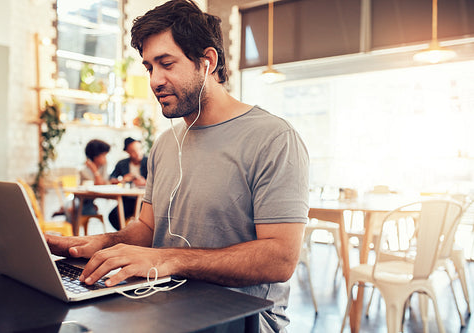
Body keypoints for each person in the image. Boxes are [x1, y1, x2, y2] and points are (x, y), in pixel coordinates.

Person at [46, 1, 309, 332]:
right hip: (163, 300)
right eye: (148, 67)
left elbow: (280, 258)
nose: (155, 80)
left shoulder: (273, 138)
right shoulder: (165, 144)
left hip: (244, 316)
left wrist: (167, 260)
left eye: (166, 63)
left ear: (207, 61)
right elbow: (146, 229)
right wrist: (102, 243)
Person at [108, 137, 148, 230]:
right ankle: (126, 236)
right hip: (128, 200)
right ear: (127, 152)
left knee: (144, 219)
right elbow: (111, 179)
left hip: (145, 201)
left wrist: (145, 183)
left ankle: (135, 237)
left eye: (140, 149)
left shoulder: (149, 161)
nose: (138, 153)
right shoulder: (122, 164)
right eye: (133, 151)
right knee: (113, 216)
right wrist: (123, 180)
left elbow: (159, 181)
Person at [78, 139, 110, 215]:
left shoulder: (103, 165)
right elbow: (100, 184)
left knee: (92, 210)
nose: (105, 158)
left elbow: (105, 183)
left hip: (91, 201)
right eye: (104, 155)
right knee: (87, 210)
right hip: (82, 201)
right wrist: (94, 170)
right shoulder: (84, 169)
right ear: (95, 156)